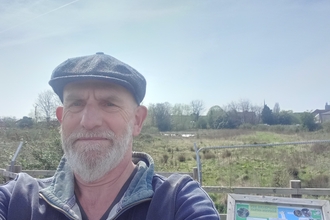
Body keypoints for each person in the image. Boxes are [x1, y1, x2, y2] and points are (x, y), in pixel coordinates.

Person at [0, 52, 220, 220]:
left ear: (137, 120)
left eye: (109, 103)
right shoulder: (18, 202)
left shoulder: (176, 203)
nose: (89, 121)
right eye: (76, 103)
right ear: (61, 118)